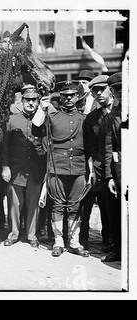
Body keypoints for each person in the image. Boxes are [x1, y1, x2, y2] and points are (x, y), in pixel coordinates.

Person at [32, 81, 92, 257]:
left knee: (75, 205)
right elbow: (36, 130)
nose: (68, 98)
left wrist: (91, 171)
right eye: (64, 95)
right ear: (60, 96)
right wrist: (42, 109)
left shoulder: (84, 119)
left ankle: (74, 242)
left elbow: (90, 146)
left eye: (71, 95)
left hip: (79, 167)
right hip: (57, 167)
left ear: (77, 97)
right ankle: (58, 242)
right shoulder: (53, 117)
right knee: (58, 205)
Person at [1, 85, 46, 248]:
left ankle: (32, 235)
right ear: (22, 100)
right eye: (28, 100)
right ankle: (14, 234)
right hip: (16, 168)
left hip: (35, 169)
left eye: (34, 100)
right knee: (15, 203)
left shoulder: (42, 119)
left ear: (38, 101)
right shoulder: (12, 119)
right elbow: (5, 145)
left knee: (33, 203)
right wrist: (5, 166)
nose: (31, 103)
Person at [81, 75, 112, 252]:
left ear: (110, 90)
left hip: (114, 169)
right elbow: (90, 147)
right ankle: (83, 240)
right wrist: (91, 171)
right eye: (95, 90)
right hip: (97, 169)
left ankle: (109, 242)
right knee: (87, 207)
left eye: (102, 89)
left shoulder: (122, 111)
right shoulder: (91, 118)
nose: (99, 93)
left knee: (109, 210)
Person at [101, 72, 123, 262]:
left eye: (124, 87)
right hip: (121, 169)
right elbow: (109, 149)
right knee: (115, 209)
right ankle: (118, 249)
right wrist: (110, 177)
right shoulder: (111, 117)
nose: (121, 92)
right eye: (117, 89)